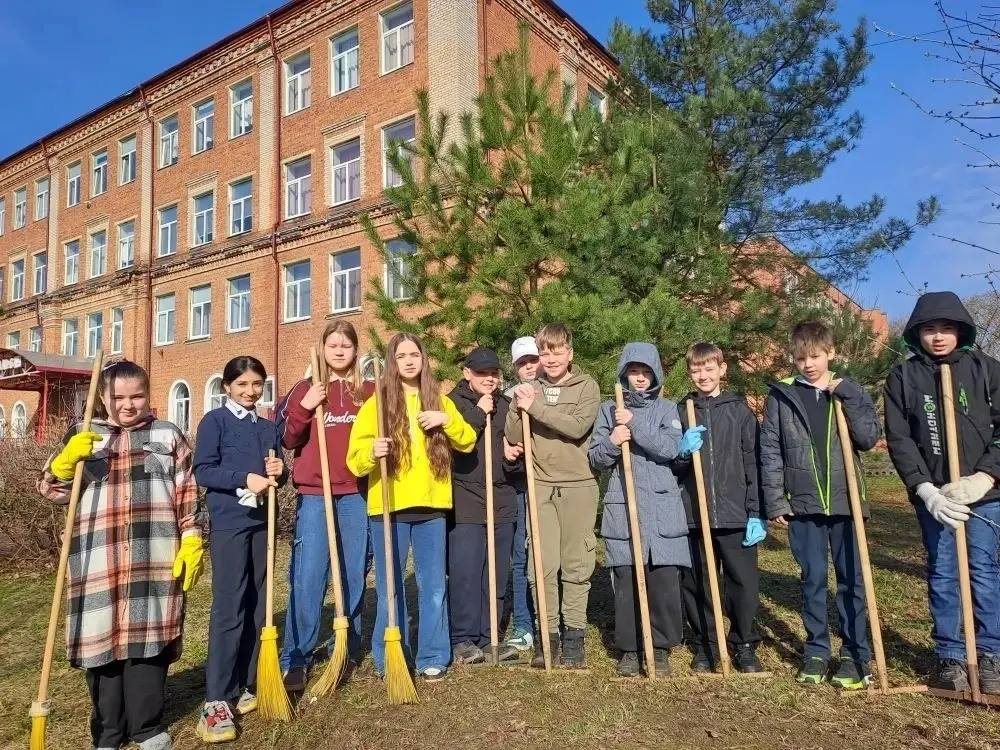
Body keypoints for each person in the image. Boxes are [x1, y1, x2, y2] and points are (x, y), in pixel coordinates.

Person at [37, 360, 204, 750]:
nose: (128, 405)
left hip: (154, 557)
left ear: (148, 394)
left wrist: (192, 538)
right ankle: (109, 731)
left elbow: (187, 494)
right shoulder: (84, 434)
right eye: (119, 398)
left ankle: (147, 726)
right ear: (103, 396)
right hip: (99, 559)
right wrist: (65, 463)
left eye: (137, 396)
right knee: (102, 644)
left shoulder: (167, 435)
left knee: (150, 642)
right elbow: (52, 491)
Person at [884, 291, 1000, 692]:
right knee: (944, 570)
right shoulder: (903, 377)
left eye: (946, 328)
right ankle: (950, 656)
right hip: (937, 497)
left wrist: (986, 476)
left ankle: (990, 654)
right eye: (929, 329)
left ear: (961, 331)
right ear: (916, 333)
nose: (938, 337)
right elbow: (900, 439)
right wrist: (925, 489)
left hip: (984, 496)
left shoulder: (987, 369)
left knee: (983, 571)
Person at [347, 333, 476, 682]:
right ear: (392, 361)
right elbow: (354, 460)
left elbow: (467, 441)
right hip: (389, 507)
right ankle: (390, 654)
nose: (408, 361)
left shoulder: (439, 401)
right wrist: (372, 452)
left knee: (433, 586)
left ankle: (432, 654)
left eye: (414, 354)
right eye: (401, 355)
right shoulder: (376, 405)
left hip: (431, 507)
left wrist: (446, 421)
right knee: (390, 588)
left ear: (423, 359)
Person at [761, 320, 881, 690]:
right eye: (801, 358)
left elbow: (868, 438)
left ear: (831, 353)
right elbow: (770, 451)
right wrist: (775, 500)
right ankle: (816, 651)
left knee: (850, 582)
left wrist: (850, 396)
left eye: (815, 356)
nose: (808, 364)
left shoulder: (848, 391)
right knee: (812, 579)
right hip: (804, 504)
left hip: (846, 503)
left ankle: (855, 654)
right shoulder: (782, 396)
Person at [276, 321, 374, 692]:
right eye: (332, 345)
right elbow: (287, 438)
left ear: (355, 350)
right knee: (309, 575)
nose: (339, 350)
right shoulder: (305, 388)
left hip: (355, 493)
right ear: (322, 349)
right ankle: (296, 657)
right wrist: (305, 407)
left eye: (345, 345)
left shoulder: (368, 392)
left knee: (352, 573)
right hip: (316, 494)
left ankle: (344, 647)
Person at [194, 356, 286, 743]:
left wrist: (281, 471)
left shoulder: (267, 427)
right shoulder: (214, 422)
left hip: (262, 523)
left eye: (257, 384)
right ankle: (217, 696)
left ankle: (249, 681)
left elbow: (277, 472)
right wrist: (243, 478)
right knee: (230, 605)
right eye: (242, 384)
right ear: (227, 387)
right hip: (230, 523)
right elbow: (204, 470)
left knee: (259, 602)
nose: (250, 391)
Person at [589, 342, 689, 677]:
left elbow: (670, 449)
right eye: (634, 371)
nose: (641, 378)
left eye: (646, 371)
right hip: (624, 504)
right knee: (627, 580)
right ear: (624, 374)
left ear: (656, 374)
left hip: (661, 506)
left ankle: (659, 649)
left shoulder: (667, 409)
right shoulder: (608, 410)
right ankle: (630, 649)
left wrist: (634, 425)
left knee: (663, 580)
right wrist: (613, 441)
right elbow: (596, 458)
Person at [505, 323, 600, 668]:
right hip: (540, 485)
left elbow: (577, 427)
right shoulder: (530, 389)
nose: (550, 358)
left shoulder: (587, 386)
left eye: (557, 351)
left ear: (569, 353)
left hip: (578, 485)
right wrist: (517, 406)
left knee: (576, 564)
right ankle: (548, 637)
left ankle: (574, 638)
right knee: (541, 565)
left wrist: (535, 408)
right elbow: (513, 434)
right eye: (545, 352)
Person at [675, 342, 765, 673]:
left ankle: (743, 643)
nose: (703, 375)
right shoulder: (681, 411)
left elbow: (753, 463)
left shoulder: (740, 411)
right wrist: (682, 453)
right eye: (696, 370)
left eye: (709, 368)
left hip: (735, 514)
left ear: (722, 369)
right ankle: (706, 644)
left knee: (743, 583)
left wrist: (756, 512)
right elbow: (671, 467)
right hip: (694, 515)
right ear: (689, 373)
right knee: (697, 583)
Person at [447, 347, 524, 664]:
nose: (489, 378)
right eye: (482, 373)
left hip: (501, 496)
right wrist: (479, 412)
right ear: (467, 373)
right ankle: (463, 638)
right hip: (465, 496)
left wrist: (512, 458)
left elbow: (514, 456)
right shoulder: (452, 404)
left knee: (496, 571)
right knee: (466, 570)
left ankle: (489, 635)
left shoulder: (506, 406)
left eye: (494, 373)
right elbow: (453, 446)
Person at [499, 336, 539, 660]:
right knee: (520, 555)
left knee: (550, 556)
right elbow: (502, 440)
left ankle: (552, 622)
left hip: (550, 484)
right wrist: (509, 450)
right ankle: (524, 625)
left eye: (533, 360)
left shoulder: (554, 393)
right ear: (515, 367)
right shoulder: (507, 399)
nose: (529, 367)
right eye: (522, 363)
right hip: (521, 485)